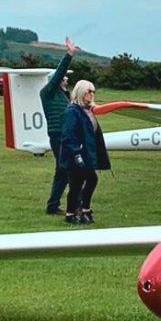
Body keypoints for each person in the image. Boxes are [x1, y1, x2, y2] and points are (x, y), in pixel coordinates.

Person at [60, 79, 111, 225]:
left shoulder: (88, 110)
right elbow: (68, 135)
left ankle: (78, 212)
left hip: (86, 153)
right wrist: (76, 153)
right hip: (76, 154)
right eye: (89, 91)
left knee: (84, 182)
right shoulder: (73, 111)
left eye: (93, 91)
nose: (92, 94)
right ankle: (78, 212)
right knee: (81, 182)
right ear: (81, 92)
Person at [39, 37, 78, 214]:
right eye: (63, 79)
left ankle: (53, 205)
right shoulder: (48, 92)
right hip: (58, 135)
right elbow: (58, 73)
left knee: (62, 170)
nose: (66, 81)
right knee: (70, 169)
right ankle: (77, 205)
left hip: (64, 134)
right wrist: (69, 54)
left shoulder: (63, 96)